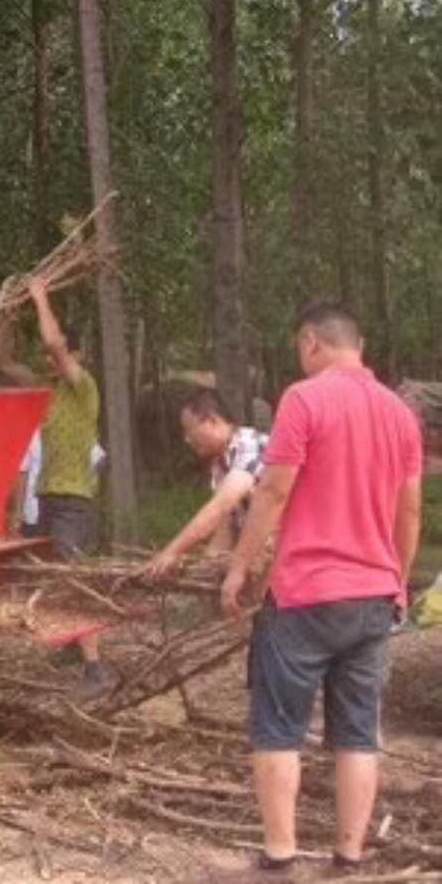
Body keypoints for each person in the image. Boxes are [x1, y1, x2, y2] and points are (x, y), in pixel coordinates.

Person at [220, 303, 423, 876]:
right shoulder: (399, 415)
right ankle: (348, 856)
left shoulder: (303, 399)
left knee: (279, 727)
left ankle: (280, 856)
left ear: (311, 342)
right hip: (372, 597)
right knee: (359, 733)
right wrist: (397, 582)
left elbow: (274, 491)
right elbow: (410, 509)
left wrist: (239, 568)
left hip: (305, 594)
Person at [0, 276, 109, 696]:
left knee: (72, 578)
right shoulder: (45, 391)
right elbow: (4, 361)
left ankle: (96, 668)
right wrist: (6, 314)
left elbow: (56, 346)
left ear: (77, 355)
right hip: (47, 498)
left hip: (74, 500)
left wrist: (42, 299)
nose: (49, 360)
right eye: (45, 357)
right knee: (52, 578)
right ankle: (73, 647)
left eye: (58, 354)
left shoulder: (84, 389)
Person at [145, 388, 269, 579]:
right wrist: (203, 570)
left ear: (212, 421)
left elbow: (220, 506)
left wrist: (172, 551)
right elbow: (226, 526)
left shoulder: (248, 445)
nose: (187, 439)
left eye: (189, 429)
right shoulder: (220, 465)